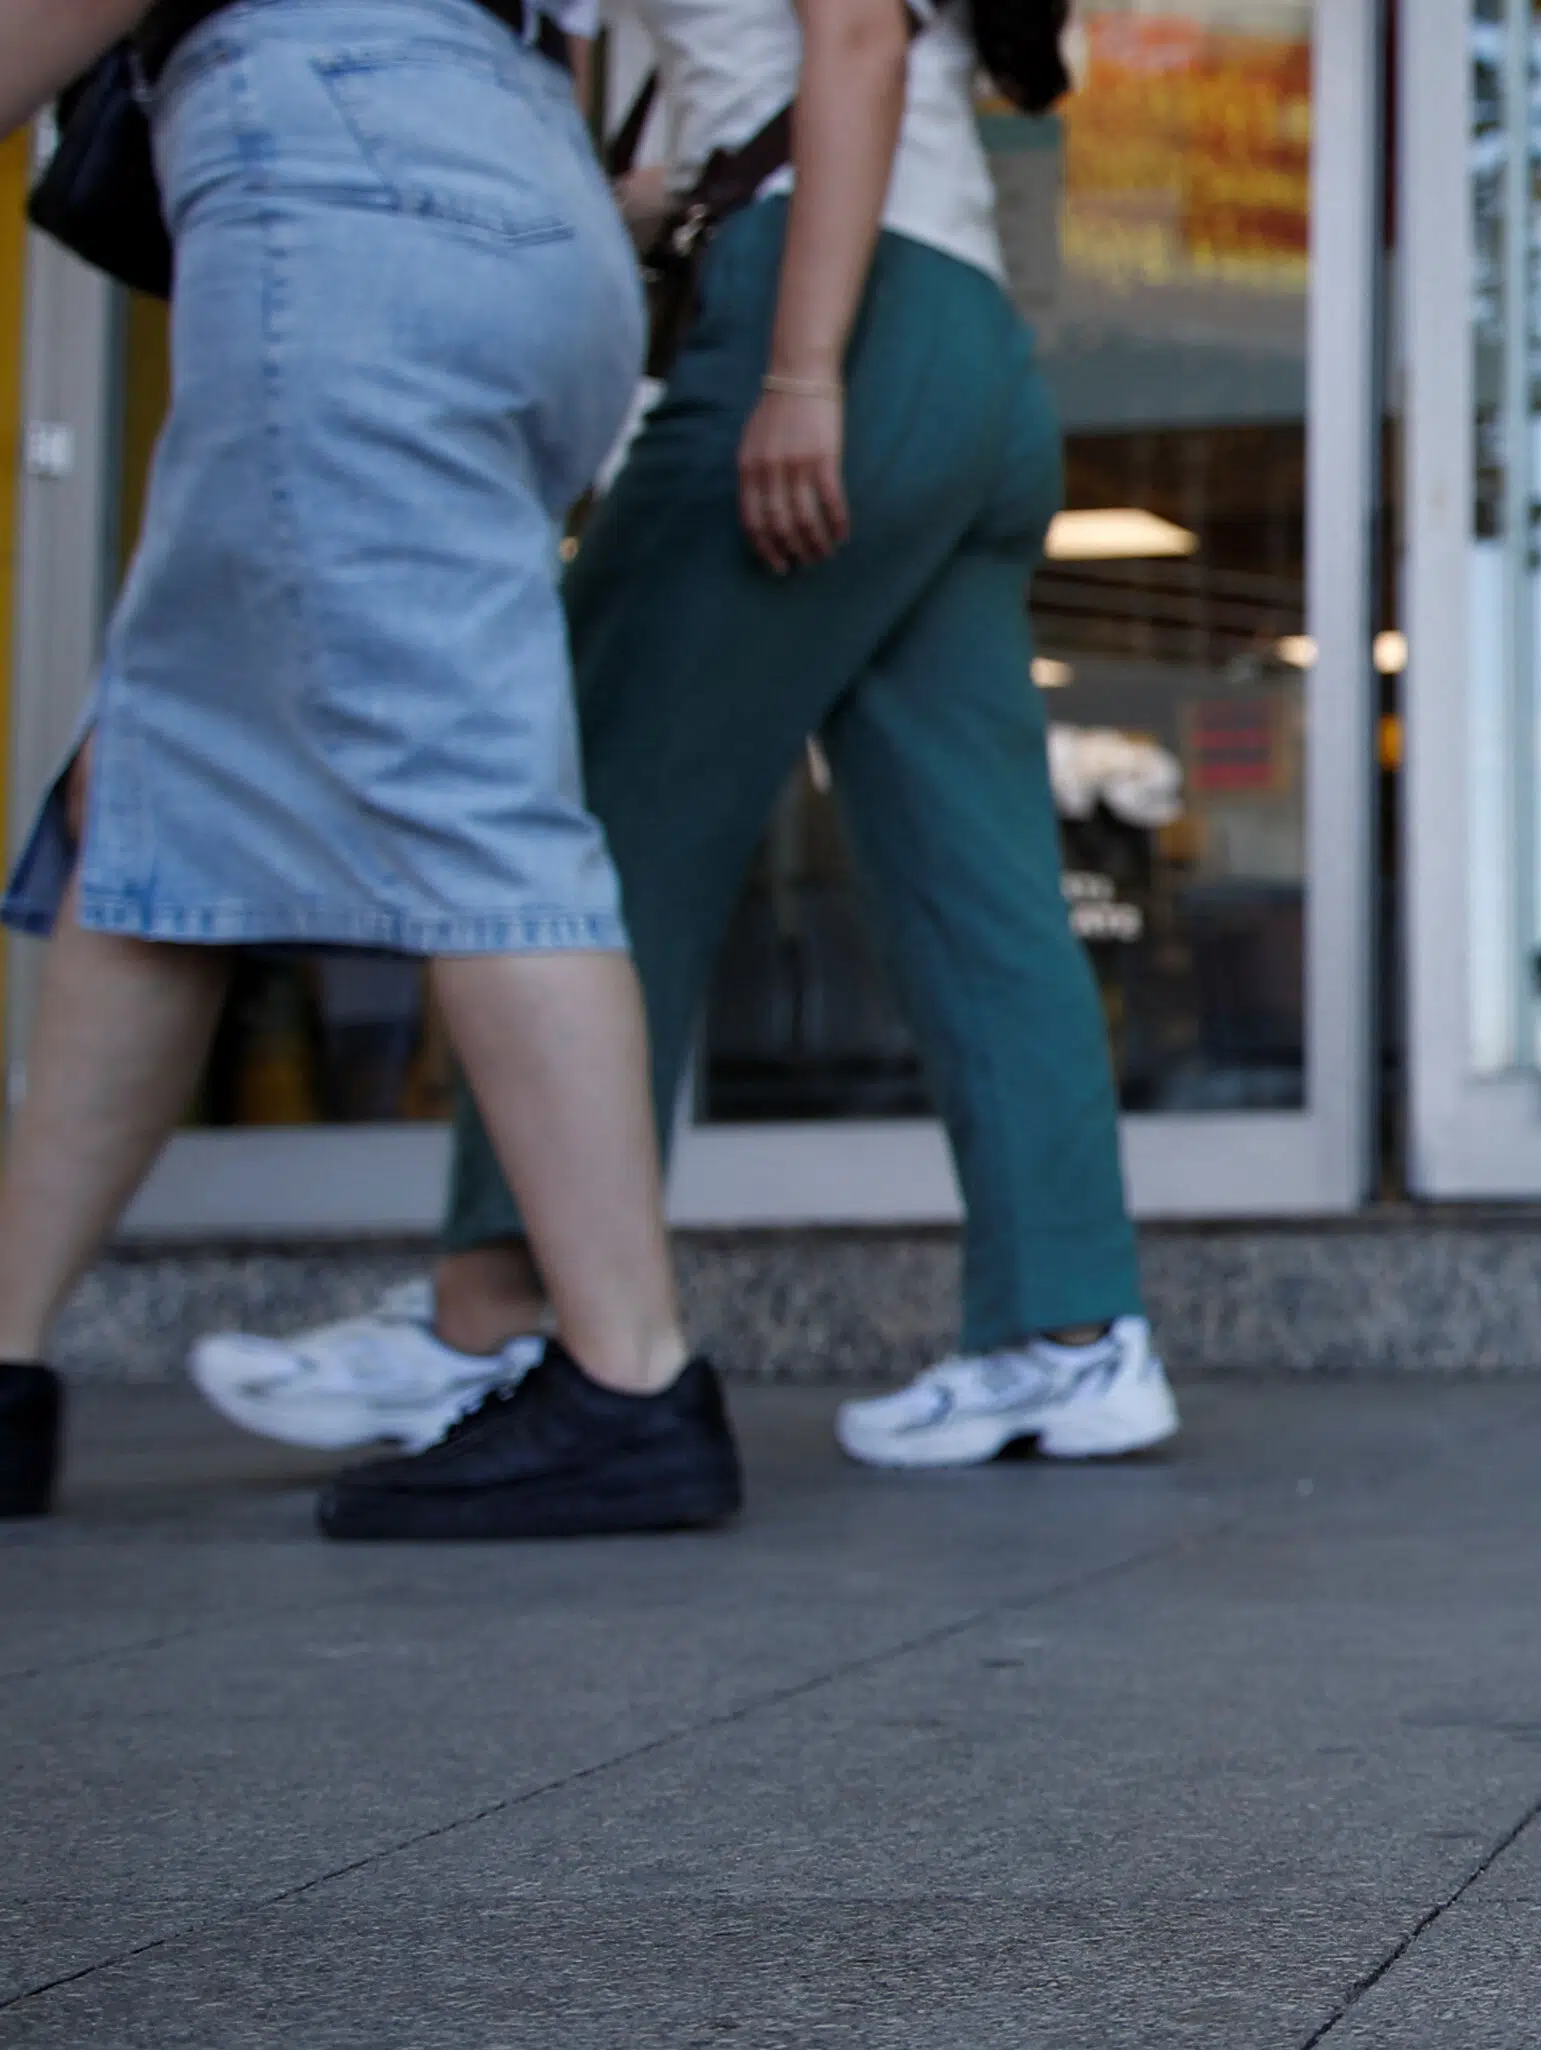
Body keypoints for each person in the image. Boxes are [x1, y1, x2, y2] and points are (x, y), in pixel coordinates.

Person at [190, 0, 1178, 1471]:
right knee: (975, 870)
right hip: (964, 340)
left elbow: (856, 40)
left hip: (831, 307)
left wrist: (800, 372)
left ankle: (495, 1308)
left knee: (593, 801)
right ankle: (1070, 1332)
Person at [0, 0, 741, 1534]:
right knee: (160, 797)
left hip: (346, 184)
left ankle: (630, 1378)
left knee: (464, 789)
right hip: (507, 182)